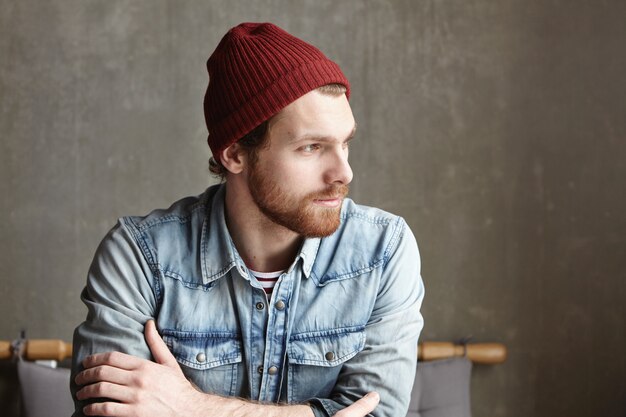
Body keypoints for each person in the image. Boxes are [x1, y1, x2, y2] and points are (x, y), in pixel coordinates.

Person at [70, 22, 425, 417]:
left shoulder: (383, 250)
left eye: (345, 143)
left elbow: (379, 413)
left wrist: (193, 407)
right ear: (235, 153)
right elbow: (106, 411)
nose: (344, 173)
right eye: (311, 147)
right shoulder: (138, 256)